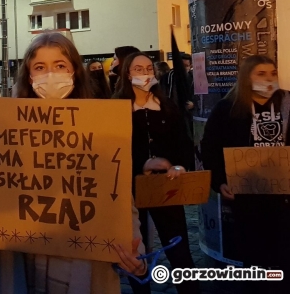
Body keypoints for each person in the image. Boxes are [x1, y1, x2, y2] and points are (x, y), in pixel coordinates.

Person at [0, 32, 148, 294]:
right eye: (40, 67)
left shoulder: (102, 129)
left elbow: (118, 199)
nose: (50, 75)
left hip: (83, 275)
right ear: (29, 76)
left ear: (75, 73)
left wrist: (136, 260)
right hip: (21, 273)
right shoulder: (4, 132)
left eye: (60, 66)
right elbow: (0, 192)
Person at [113, 53, 200, 294]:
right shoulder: (115, 108)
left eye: (149, 68)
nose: (145, 73)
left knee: (179, 248)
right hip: (130, 191)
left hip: (166, 188)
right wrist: (142, 164)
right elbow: (111, 153)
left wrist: (180, 166)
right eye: (138, 69)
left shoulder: (167, 106)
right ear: (128, 74)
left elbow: (183, 143)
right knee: (135, 250)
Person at [201, 55, 289, 289]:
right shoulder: (227, 109)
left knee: (283, 257)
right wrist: (219, 181)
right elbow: (210, 148)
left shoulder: (287, 104)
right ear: (246, 78)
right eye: (260, 74)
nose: (269, 78)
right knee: (253, 257)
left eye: (272, 73)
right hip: (246, 198)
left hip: (284, 199)